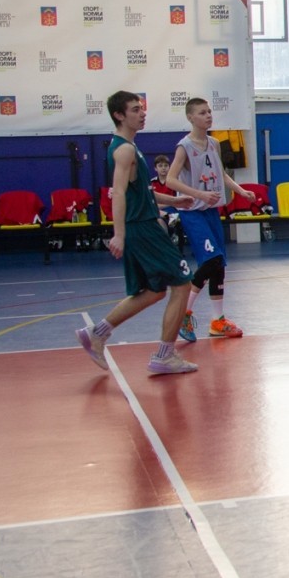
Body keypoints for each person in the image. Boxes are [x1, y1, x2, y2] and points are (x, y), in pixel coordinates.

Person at [73, 91, 198, 376]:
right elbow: (117, 193)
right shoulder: (124, 150)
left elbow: (140, 191)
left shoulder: (129, 147)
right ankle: (165, 355)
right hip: (142, 227)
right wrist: (118, 234)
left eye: (141, 108)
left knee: (154, 291)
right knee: (182, 284)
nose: (142, 113)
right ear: (119, 115)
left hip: (140, 225)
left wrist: (174, 201)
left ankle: (97, 333)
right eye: (134, 109)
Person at [164, 97, 255, 344]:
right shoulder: (184, 147)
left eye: (209, 111)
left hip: (211, 210)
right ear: (190, 117)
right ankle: (184, 312)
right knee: (212, 259)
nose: (208, 116)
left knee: (219, 264)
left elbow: (221, 174)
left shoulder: (214, 143)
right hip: (193, 211)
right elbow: (170, 180)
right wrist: (199, 194)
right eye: (202, 112)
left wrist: (241, 190)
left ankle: (217, 321)